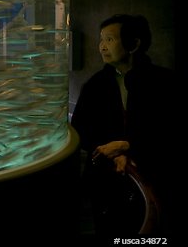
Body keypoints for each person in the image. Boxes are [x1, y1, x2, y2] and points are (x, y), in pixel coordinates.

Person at [70, 14, 176, 235]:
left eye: (109, 39)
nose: (101, 47)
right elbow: (81, 129)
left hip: (154, 177)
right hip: (105, 181)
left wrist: (129, 146)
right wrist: (111, 151)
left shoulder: (165, 82)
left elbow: (169, 131)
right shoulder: (94, 85)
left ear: (135, 44)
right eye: (100, 40)